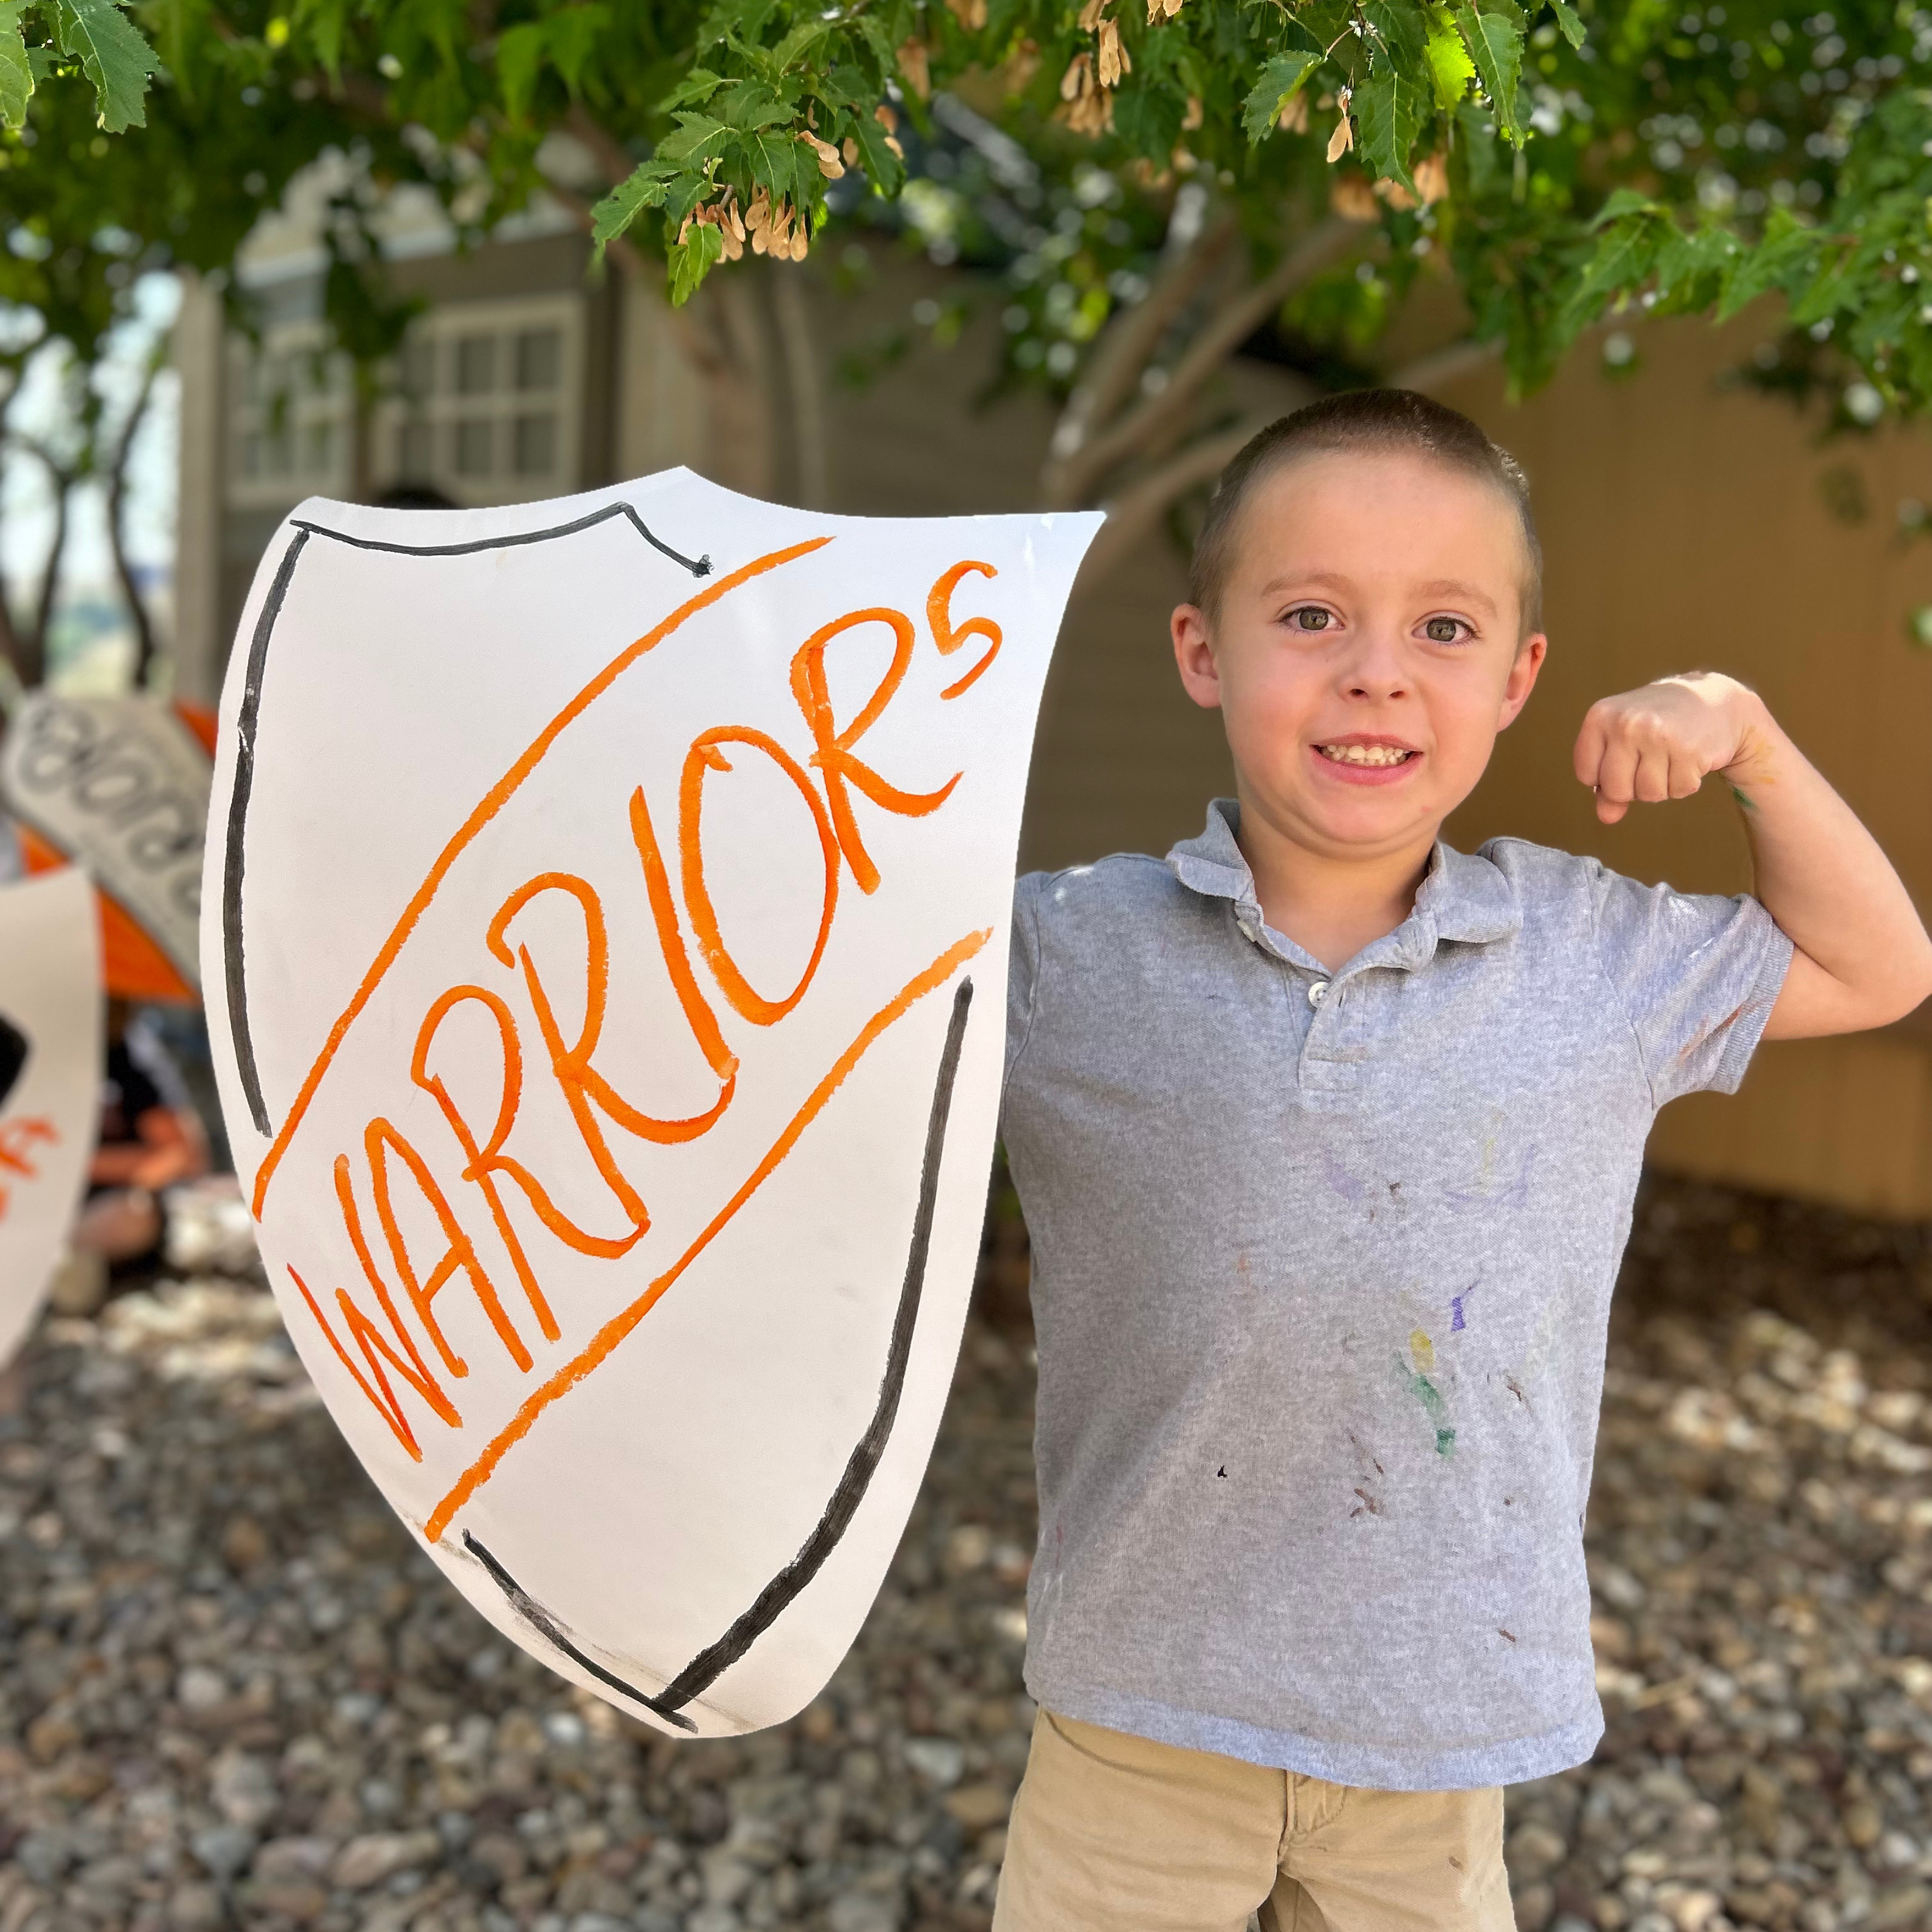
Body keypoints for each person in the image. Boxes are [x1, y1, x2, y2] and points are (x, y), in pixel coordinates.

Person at [992, 389, 1932, 1932]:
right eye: (1309, 613)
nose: (1374, 670)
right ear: (1199, 651)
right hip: (1134, 1709)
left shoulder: (1583, 948)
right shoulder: (1063, 952)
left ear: (1517, 678)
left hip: (1434, 1729)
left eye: (1441, 627)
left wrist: (1740, 728)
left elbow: (1880, 964)